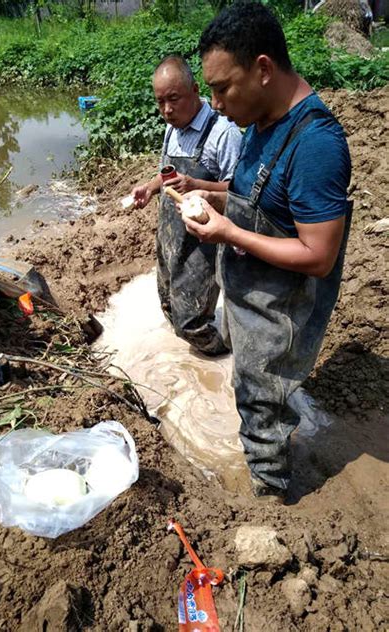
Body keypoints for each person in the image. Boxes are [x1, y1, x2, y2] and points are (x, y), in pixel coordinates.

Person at [179, 2, 352, 500]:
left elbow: (318, 255)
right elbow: (257, 193)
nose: (213, 103)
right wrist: (209, 194)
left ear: (262, 69)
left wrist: (227, 234)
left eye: (220, 87)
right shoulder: (260, 120)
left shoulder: (316, 143)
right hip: (250, 295)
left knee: (264, 404)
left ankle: (272, 497)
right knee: (249, 383)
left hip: (281, 311)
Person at [131, 55, 242, 356]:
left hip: (204, 243)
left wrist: (197, 185)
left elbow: (240, 192)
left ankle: (227, 354)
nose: (167, 110)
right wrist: (150, 188)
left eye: (174, 99)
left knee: (190, 323)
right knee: (167, 302)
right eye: (160, 102)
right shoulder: (172, 128)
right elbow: (166, 174)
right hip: (170, 237)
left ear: (195, 90)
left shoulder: (224, 133)